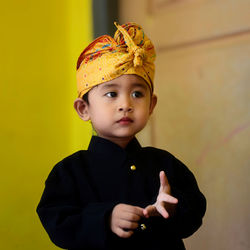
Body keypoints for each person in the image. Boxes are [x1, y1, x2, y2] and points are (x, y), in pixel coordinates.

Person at [37, 22, 206, 250]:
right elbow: (57, 224)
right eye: (111, 94)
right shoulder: (69, 172)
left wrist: (173, 207)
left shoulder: (165, 164)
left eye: (137, 93)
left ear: (151, 105)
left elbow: (194, 215)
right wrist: (105, 218)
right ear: (83, 109)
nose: (125, 104)